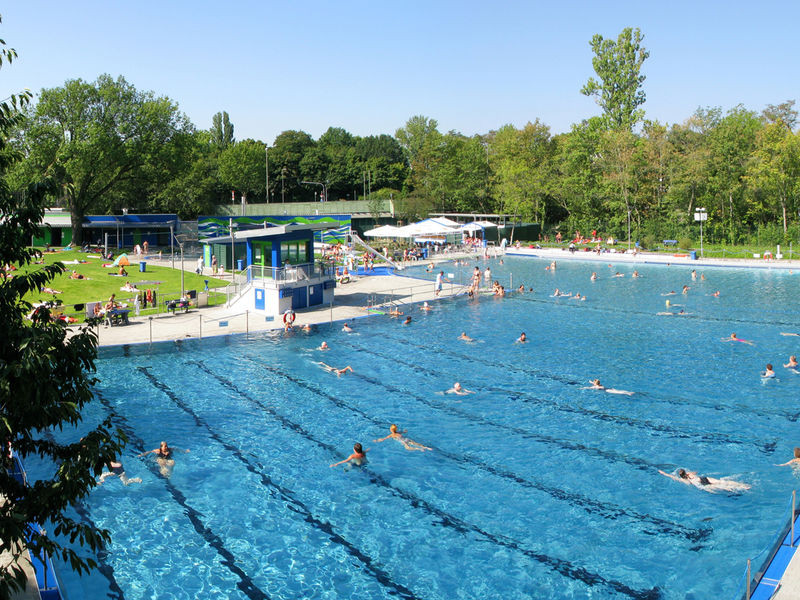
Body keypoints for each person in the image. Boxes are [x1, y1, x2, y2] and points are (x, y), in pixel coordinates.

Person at [658, 468, 750, 493]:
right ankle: (742, 485)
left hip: (704, 485)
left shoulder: (685, 481)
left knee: (723, 488)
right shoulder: (690, 473)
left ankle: (739, 489)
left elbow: (672, 477)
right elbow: (696, 471)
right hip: (704, 478)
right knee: (722, 482)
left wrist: (664, 473)